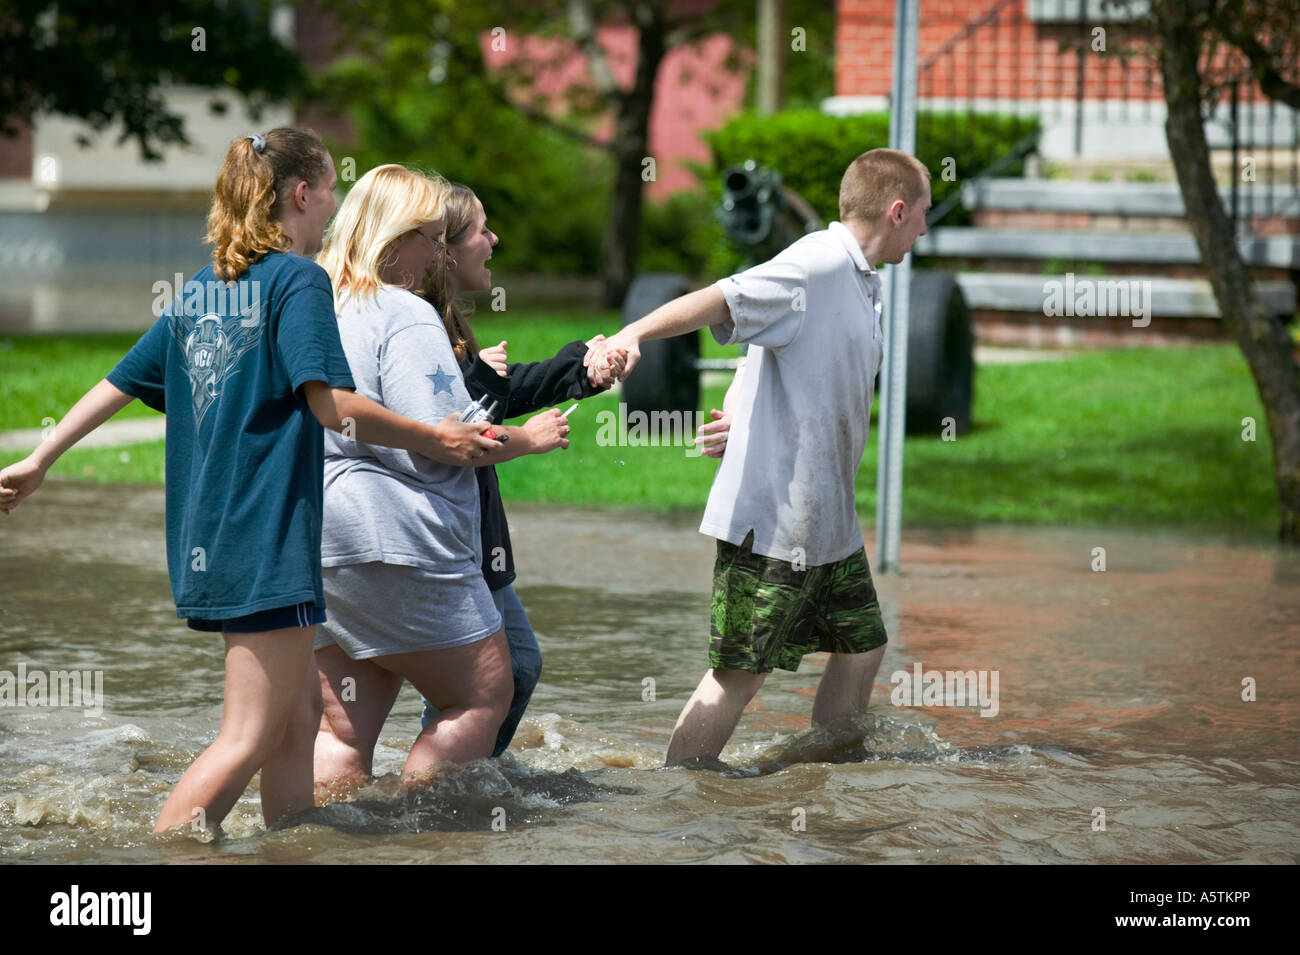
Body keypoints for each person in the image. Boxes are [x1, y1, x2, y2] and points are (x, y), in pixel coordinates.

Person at [0, 130, 497, 834]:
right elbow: (332, 406)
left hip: (217, 537)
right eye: (328, 193)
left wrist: (41, 457)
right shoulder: (298, 280)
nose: (332, 211)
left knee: (293, 733)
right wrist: (435, 436)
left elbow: (118, 382)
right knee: (248, 737)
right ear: (301, 194)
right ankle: (154, 863)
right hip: (268, 537)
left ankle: (291, 848)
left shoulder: (205, 289)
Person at [586, 148, 931, 766]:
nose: (927, 230)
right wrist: (629, 335)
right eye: (924, 215)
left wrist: (737, 413)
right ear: (897, 211)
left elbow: (763, 350)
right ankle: (676, 795)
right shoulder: (817, 264)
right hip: (775, 523)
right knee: (739, 675)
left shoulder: (859, 280)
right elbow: (724, 300)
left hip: (828, 526)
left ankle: (826, 769)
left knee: (862, 646)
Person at [310, 166, 580, 791]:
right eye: (432, 238)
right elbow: (447, 443)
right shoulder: (402, 312)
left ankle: (319, 842)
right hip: (402, 542)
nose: (438, 252)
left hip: (323, 542)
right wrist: (529, 439)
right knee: (482, 695)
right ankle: (430, 841)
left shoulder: (322, 302)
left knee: (344, 733)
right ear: (396, 239)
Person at [417, 183, 625, 755]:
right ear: (446, 249)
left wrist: (580, 367)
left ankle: (460, 778)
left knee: (512, 668)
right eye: (481, 229)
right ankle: (442, 789)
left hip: (471, 536)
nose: (494, 239)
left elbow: (496, 396)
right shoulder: (420, 325)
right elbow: (449, 427)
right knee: (494, 677)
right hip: (446, 536)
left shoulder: (446, 318)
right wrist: (485, 386)